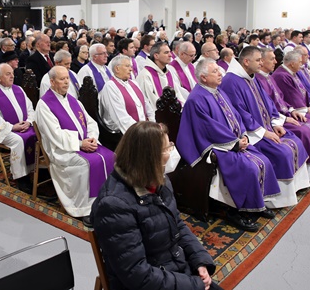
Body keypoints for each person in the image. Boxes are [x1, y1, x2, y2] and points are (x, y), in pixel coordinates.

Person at [90, 122, 218, 290]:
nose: (171, 153)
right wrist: (193, 284)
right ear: (148, 158)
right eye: (166, 149)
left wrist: (200, 260)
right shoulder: (114, 206)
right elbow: (138, 276)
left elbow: (178, 225)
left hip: (172, 272)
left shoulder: (159, 181)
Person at [220, 47, 310, 198]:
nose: (261, 63)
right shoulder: (231, 81)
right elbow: (240, 114)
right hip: (251, 133)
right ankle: (279, 197)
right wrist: (264, 132)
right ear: (246, 61)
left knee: (295, 141)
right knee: (282, 152)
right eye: (258, 60)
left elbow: (267, 102)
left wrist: (275, 123)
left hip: (266, 127)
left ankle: (296, 187)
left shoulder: (251, 76)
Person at [34, 66, 115, 226]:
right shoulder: (44, 105)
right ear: (52, 82)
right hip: (63, 150)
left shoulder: (72, 100)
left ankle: (108, 201)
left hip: (84, 143)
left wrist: (92, 138)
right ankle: (86, 208)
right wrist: (79, 144)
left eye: (67, 78)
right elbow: (55, 134)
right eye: (62, 79)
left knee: (111, 156)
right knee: (87, 164)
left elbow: (90, 121)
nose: (66, 82)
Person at [256, 48, 310, 183]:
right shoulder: (259, 79)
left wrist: (292, 111)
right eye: (272, 59)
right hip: (275, 119)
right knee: (305, 130)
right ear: (262, 61)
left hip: (283, 113)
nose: (276, 61)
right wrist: (286, 117)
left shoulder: (268, 76)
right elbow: (267, 106)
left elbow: (281, 99)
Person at [0, 64, 36, 193]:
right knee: (18, 141)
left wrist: (28, 122)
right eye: (8, 74)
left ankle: (38, 169)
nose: (12, 76)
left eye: (12, 73)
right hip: (5, 130)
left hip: (24, 126)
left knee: (40, 134)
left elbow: (30, 108)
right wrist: (12, 127)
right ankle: (21, 177)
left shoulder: (19, 90)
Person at [100, 55, 154, 134]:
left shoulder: (134, 83)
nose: (131, 69)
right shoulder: (110, 86)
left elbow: (147, 105)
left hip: (143, 127)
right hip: (123, 132)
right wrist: (141, 132)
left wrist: (153, 123)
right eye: (127, 66)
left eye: (131, 66)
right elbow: (120, 117)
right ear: (117, 68)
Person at [136, 42, 186, 111]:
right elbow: (150, 102)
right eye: (166, 52)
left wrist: (182, 107)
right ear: (156, 56)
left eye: (169, 52)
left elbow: (177, 93)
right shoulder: (146, 75)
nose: (170, 55)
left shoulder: (168, 72)